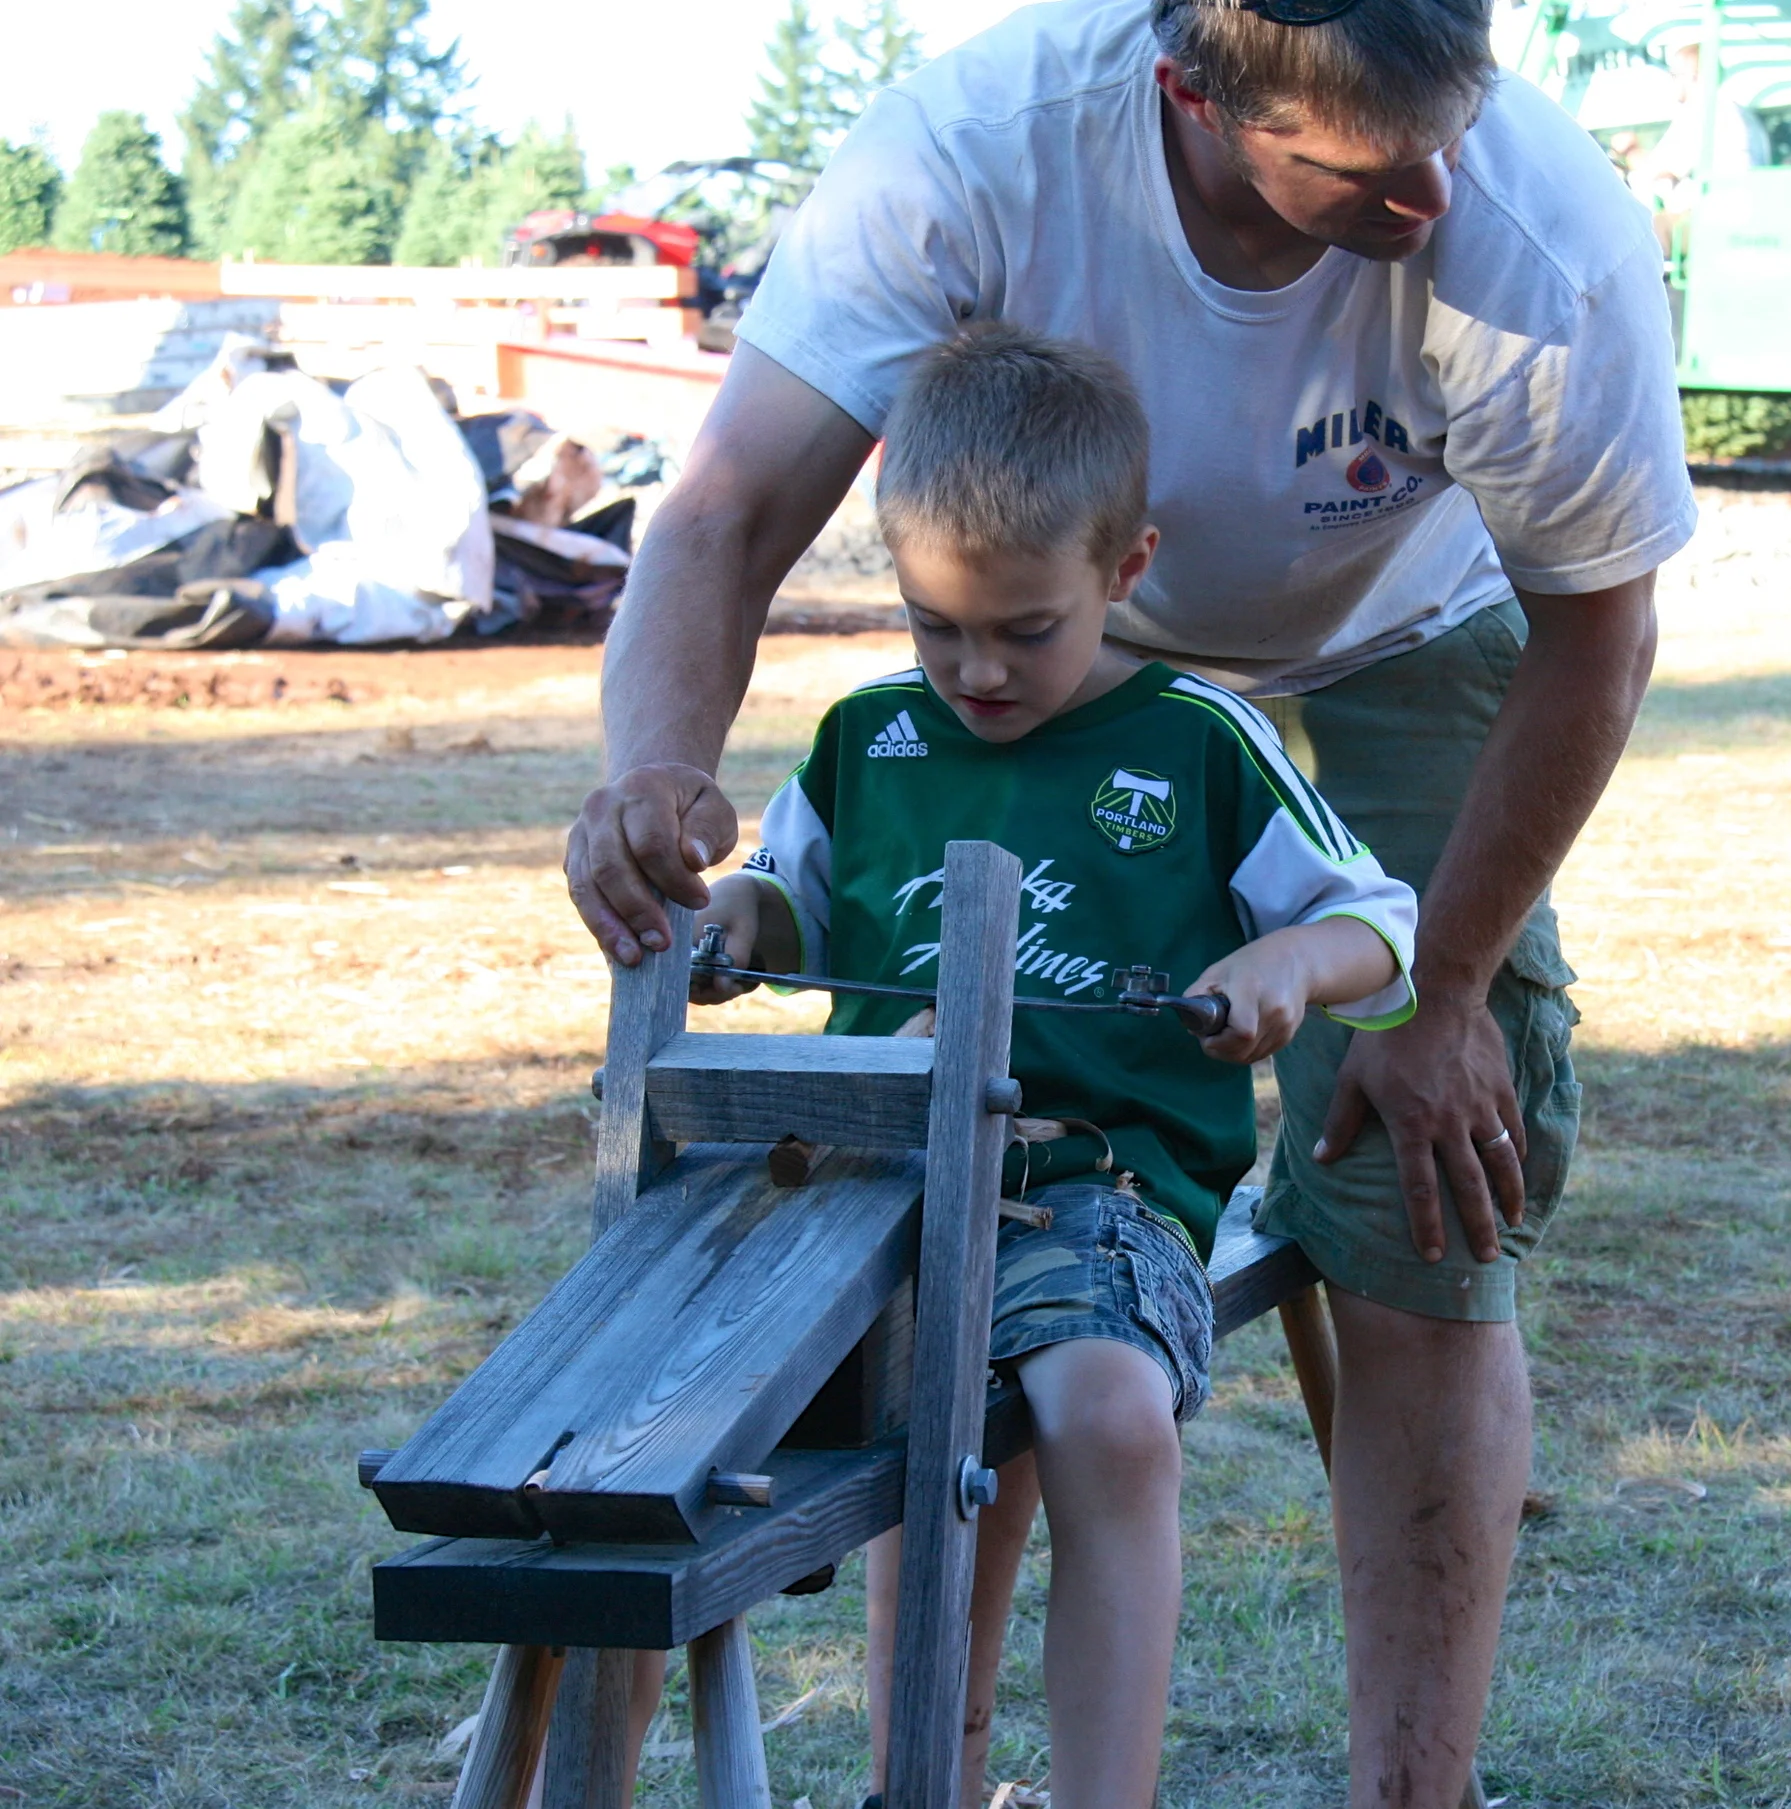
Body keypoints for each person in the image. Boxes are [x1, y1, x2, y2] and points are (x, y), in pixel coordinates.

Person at [562, 4, 1693, 1800]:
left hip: (1418, 622)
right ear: (1195, 93)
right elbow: (722, 509)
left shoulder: (1536, 231)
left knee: (1423, 1183)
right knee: (965, 1189)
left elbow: (1601, 631)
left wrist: (1443, 986)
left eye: (1446, 135)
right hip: (1071, 620)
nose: (1430, 193)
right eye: (1359, 164)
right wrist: (657, 776)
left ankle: (1414, 1781)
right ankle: (936, 1758)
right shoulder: (979, 148)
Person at [689, 324, 1418, 1806]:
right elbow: (791, 899)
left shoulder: (1199, 739)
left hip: (1093, 1192)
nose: (976, 670)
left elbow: (1382, 927)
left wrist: (1286, 966)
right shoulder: (871, 738)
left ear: (1127, 566)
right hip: (868, 1188)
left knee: (1103, 1413)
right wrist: (731, 921)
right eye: (934, 624)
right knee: (776, 1436)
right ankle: (924, 1777)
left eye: (1026, 629)